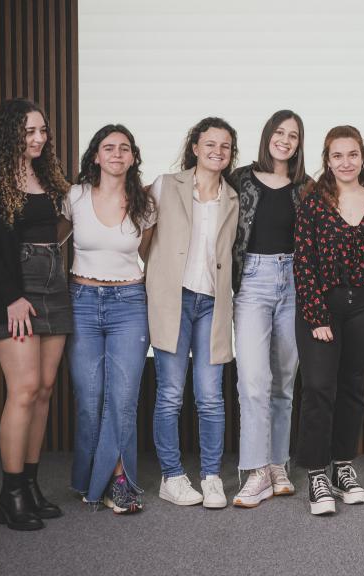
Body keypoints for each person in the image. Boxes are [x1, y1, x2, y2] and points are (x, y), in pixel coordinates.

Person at [0, 97, 72, 531]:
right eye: (30, 131)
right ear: (10, 133)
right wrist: (10, 296)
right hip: (14, 290)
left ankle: (30, 484)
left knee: (44, 389)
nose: (40, 138)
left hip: (54, 284)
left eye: (43, 130)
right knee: (23, 389)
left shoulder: (48, 174)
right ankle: (9, 495)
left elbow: (58, 227)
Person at [293, 125, 364, 515]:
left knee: (353, 387)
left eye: (352, 154)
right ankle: (317, 474)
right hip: (323, 308)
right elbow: (303, 264)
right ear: (327, 160)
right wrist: (317, 315)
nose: (345, 162)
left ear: (362, 158)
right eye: (337, 155)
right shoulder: (313, 203)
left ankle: (343, 467)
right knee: (320, 388)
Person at [60, 124, 155, 514]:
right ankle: (88, 480)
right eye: (109, 147)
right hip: (81, 301)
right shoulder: (75, 196)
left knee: (122, 399)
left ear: (133, 158)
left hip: (129, 303)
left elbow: (148, 256)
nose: (117, 153)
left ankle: (120, 481)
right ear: (96, 156)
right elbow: (52, 245)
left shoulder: (144, 205)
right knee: (89, 398)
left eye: (125, 148)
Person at [146, 117, 239, 509]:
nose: (218, 151)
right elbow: (142, 238)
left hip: (212, 304)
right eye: (210, 144)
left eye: (226, 146)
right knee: (169, 394)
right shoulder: (165, 186)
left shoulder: (233, 198)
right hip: (174, 299)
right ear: (195, 147)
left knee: (210, 397)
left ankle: (212, 477)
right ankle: (171, 476)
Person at [227, 110, 309, 508]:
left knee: (284, 383)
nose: (285, 140)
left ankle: (279, 464)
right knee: (254, 381)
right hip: (253, 282)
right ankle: (255, 470)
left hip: (294, 281)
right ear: (267, 135)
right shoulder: (239, 178)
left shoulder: (306, 187)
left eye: (293, 135)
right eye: (279, 132)